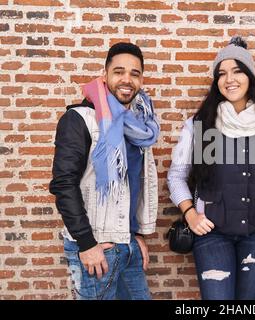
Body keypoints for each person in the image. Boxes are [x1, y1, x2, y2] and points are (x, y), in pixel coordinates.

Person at [167, 36, 255, 300]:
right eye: (221, 73)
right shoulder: (201, 124)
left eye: (237, 71)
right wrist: (190, 214)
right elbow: (177, 176)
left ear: (250, 76)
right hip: (213, 232)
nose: (229, 79)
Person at [49, 42, 160, 300]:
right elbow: (64, 184)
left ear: (141, 79)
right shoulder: (79, 119)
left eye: (135, 73)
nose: (127, 79)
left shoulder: (141, 125)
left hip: (127, 244)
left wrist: (135, 235)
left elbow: (134, 183)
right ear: (105, 75)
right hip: (96, 248)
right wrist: (87, 244)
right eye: (119, 71)